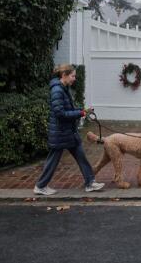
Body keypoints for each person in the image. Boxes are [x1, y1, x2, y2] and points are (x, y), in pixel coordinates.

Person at [34, 64, 105, 195]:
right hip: (61, 133)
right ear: (64, 75)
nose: (74, 79)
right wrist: (81, 114)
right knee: (52, 161)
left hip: (69, 132)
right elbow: (60, 114)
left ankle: (90, 183)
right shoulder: (57, 90)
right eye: (72, 76)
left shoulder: (64, 88)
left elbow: (68, 109)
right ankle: (40, 186)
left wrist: (83, 110)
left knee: (81, 156)